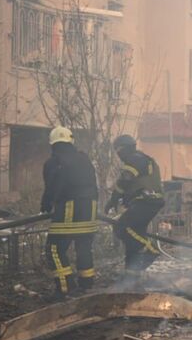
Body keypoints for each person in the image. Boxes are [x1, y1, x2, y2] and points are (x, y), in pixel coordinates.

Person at [41, 126, 99, 296]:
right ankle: (86, 284)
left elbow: (51, 187)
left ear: (52, 144)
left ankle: (65, 288)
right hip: (91, 208)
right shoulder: (84, 158)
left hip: (70, 208)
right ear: (71, 141)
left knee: (54, 249)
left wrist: (45, 205)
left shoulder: (53, 162)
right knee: (84, 246)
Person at [106, 134, 165, 275]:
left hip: (147, 202)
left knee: (122, 228)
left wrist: (113, 199)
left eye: (118, 151)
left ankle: (150, 250)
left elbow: (125, 180)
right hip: (148, 201)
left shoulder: (134, 159)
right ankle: (131, 274)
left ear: (123, 149)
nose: (119, 155)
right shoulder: (142, 159)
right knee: (134, 236)